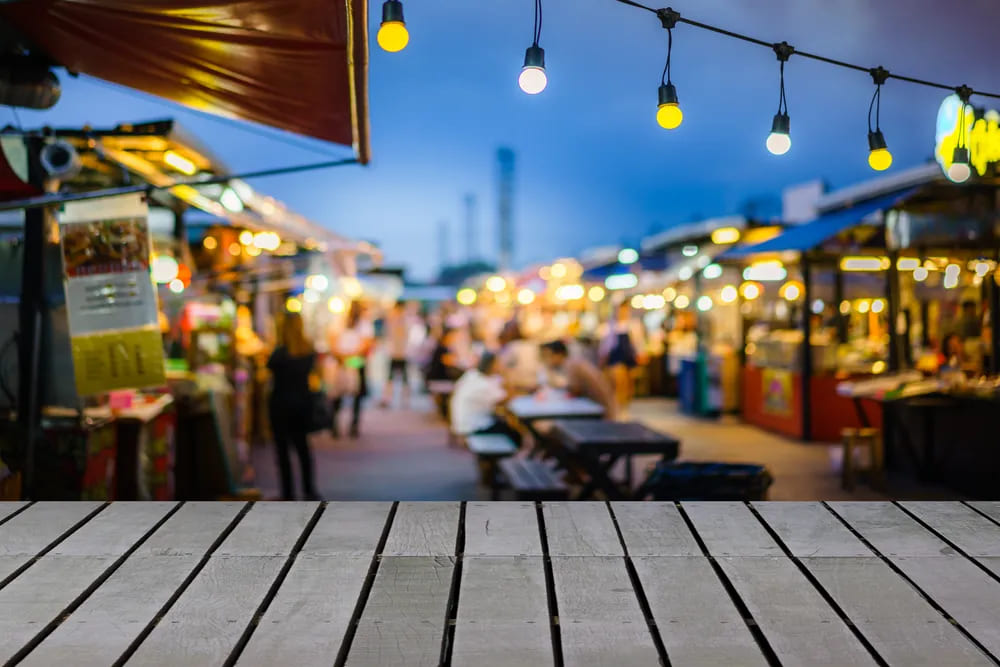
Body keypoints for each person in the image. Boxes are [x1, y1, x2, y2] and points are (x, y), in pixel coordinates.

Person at [266, 312, 320, 500]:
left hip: (280, 404)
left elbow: (269, 368)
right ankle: (309, 489)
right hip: (302, 404)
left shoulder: (279, 353)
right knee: (303, 448)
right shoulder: (308, 350)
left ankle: (287, 492)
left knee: (282, 451)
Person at [450, 352, 521, 445]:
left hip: (461, 423)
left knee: (503, 424)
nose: (500, 365)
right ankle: (491, 457)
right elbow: (504, 400)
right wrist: (506, 375)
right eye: (498, 363)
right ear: (492, 365)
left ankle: (490, 458)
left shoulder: (471, 374)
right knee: (515, 436)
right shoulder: (485, 383)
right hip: (475, 426)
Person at [330, 301, 374, 438]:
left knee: (349, 394)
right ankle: (344, 425)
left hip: (350, 361)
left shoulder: (362, 323)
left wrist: (345, 356)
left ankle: (344, 425)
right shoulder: (342, 322)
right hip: (349, 361)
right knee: (343, 394)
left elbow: (366, 343)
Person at [540, 339, 616, 418]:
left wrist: (555, 385)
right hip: (598, 408)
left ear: (559, 354)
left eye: (549, 355)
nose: (547, 360)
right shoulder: (574, 362)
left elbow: (575, 390)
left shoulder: (571, 364)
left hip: (601, 413)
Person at [598, 301, 646, 411]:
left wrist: (640, 354)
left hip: (629, 358)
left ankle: (624, 405)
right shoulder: (609, 326)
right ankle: (617, 405)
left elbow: (638, 342)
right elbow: (605, 345)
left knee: (628, 385)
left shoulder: (633, 325)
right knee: (618, 381)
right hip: (615, 358)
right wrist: (603, 357)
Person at [381, 301, 415, 409]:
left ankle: (403, 399)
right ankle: (389, 398)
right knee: (392, 377)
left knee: (403, 378)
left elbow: (403, 337)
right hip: (396, 353)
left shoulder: (403, 321)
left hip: (401, 353)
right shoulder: (395, 320)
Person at [498, 319, 540, 394]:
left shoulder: (512, 346)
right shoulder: (532, 344)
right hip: (534, 382)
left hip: (520, 385)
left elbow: (502, 365)